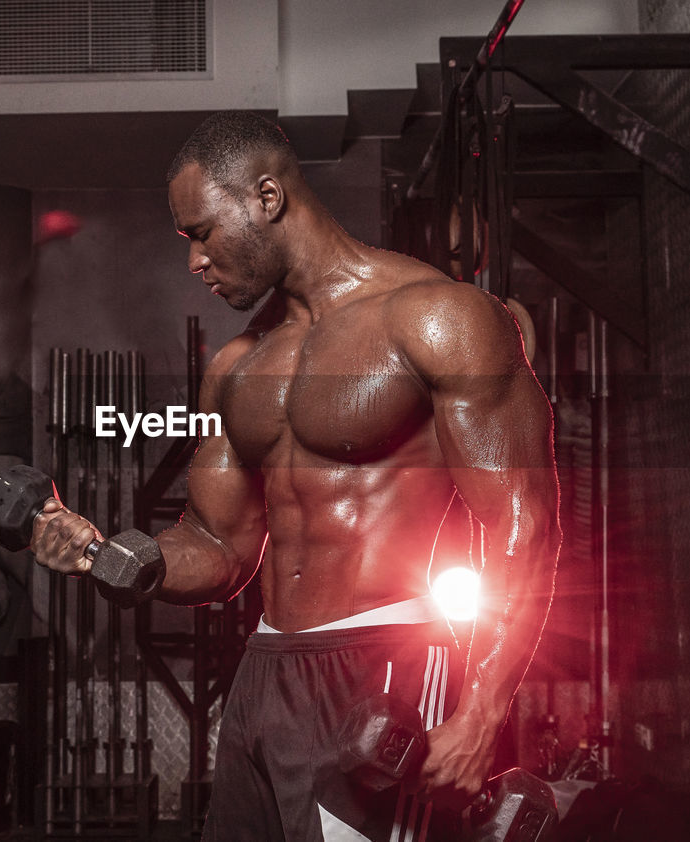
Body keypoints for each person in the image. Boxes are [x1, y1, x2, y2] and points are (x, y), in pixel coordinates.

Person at [29, 111, 560, 841]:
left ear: (268, 199)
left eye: (202, 233)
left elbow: (522, 523)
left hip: (384, 663)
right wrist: (101, 553)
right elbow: (218, 547)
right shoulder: (238, 365)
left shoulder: (438, 318)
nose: (194, 263)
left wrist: (485, 706)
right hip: (265, 670)